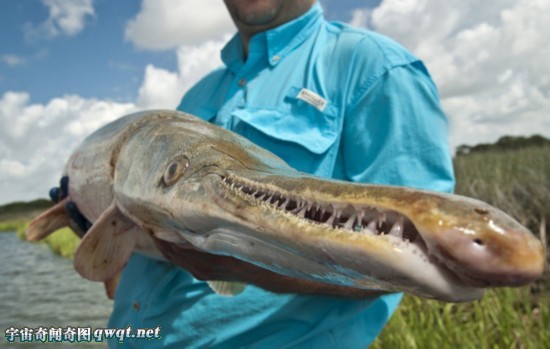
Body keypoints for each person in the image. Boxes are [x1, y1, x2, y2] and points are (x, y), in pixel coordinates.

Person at [55, 0, 454, 348]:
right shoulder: (198, 93)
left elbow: (421, 261)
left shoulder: (376, 67)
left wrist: (242, 266)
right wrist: (101, 228)